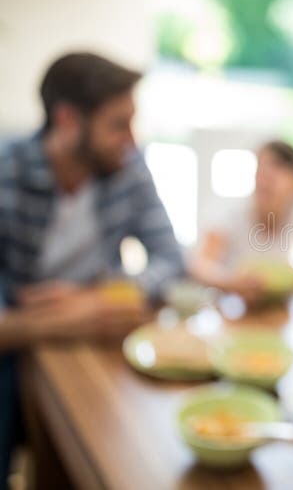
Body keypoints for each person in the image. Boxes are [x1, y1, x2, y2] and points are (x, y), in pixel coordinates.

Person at [0, 52, 184, 485]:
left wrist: (96, 298)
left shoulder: (128, 169)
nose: (131, 139)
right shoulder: (8, 171)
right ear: (67, 121)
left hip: (99, 334)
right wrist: (53, 321)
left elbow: (172, 261)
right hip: (18, 341)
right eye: (118, 124)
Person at [190, 140, 293, 306]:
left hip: (275, 309)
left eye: (273, 175)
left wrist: (292, 279)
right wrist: (231, 282)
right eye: (260, 173)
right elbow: (201, 265)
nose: (263, 181)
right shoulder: (231, 213)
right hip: (230, 305)